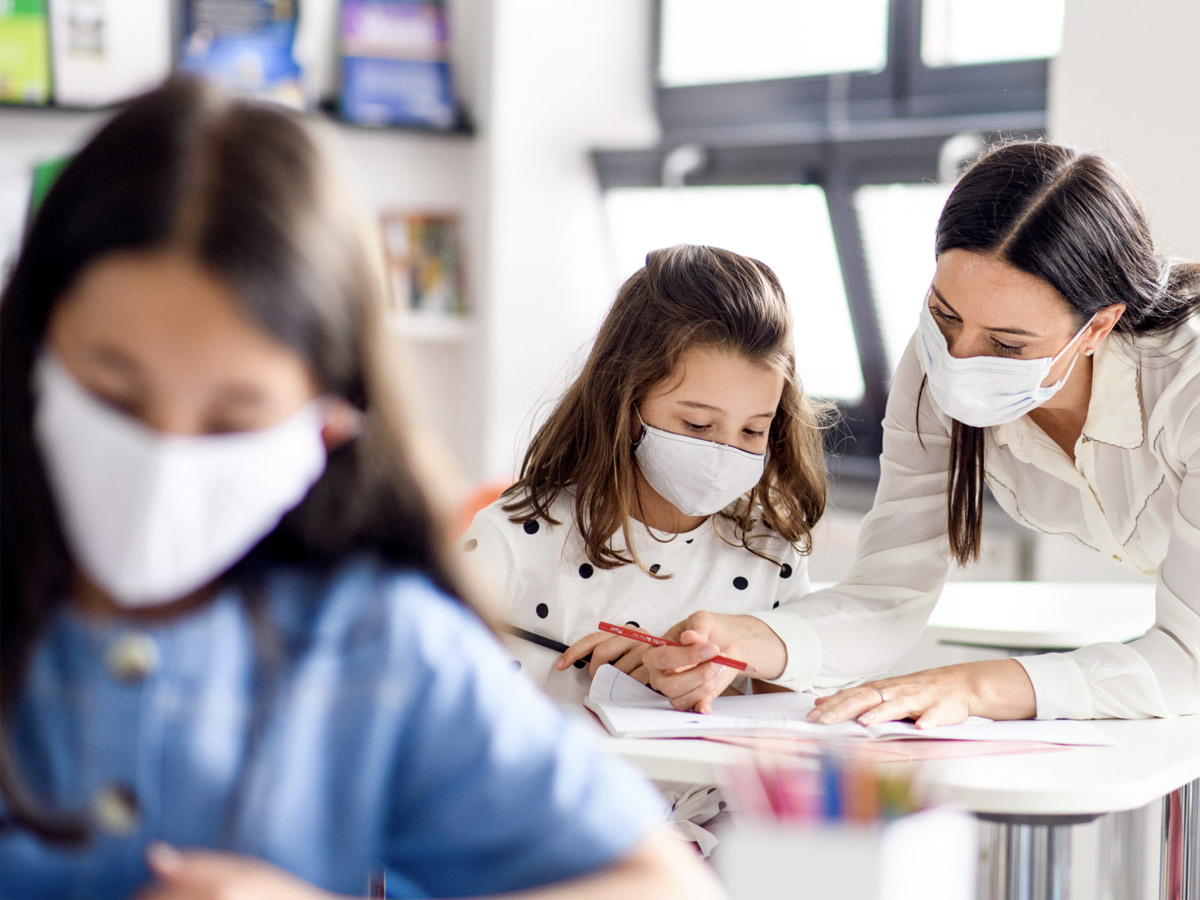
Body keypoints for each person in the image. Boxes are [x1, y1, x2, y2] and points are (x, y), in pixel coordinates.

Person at [642, 141, 1200, 898]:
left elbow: (1189, 659)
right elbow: (888, 592)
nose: (960, 359)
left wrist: (980, 685)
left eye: (1006, 345)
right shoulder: (937, 370)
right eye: (945, 315)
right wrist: (746, 640)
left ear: (1100, 325)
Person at [0, 78, 723, 900]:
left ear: (330, 424)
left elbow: (664, 887)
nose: (164, 460)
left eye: (234, 421)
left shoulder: (373, 645)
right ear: (32, 358)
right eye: (114, 396)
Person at [460, 243, 830, 852]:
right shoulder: (516, 534)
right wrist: (600, 692)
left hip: (706, 849)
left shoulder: (770, 549)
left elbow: (784, 721)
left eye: (753, 430)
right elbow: (434, 715)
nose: (725, 452)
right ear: (628, 402)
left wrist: (707, 681)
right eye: (696, 425)